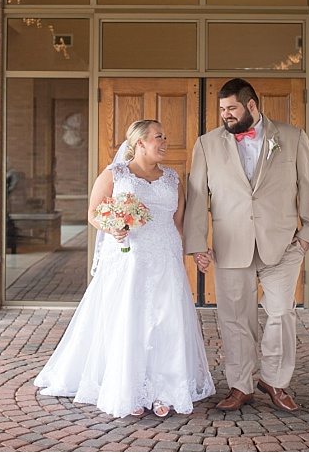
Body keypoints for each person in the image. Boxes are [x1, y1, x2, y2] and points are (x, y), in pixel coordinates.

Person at [34, 120, 214, 418]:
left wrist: (197, 251)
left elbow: (180, 223)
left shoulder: (172, 179)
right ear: (140, 142)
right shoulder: (115, 173)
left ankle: (164, 388)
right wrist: (113, 227)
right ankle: (127, 387)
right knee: (128, 319)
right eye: (159, 137)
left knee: (166, 320)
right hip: (129, 259)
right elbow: (93, 213)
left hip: (165, 259)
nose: (165, 142)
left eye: (165, 136)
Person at [184, 78, 309, 412]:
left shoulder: (291, 137)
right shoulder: (206, 144)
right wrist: (198, 244)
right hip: (231, 245)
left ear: (251, 105)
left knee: (281, 314)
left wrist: (307, 237)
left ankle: (276, 381)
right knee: (235, 319)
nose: (225, 115)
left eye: (230, 108)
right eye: (221, 109)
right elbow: (197, 196)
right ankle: (240, 385)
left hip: (283, 246)